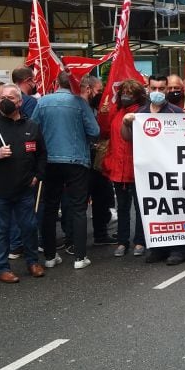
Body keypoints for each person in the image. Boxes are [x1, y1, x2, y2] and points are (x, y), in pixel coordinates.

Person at [0, 85, 47, 283]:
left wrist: (38, 175)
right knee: (1, 231)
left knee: (29, 227)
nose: (5, 100)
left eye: (11, 97)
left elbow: (41, 154)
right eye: (2, 97)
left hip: (24, 189)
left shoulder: (31, 126)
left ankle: (32, 262)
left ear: (20, 102)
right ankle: (3, 268)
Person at [34, 71, 100, 270]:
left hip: (49, 160)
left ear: (55, 82)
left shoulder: (43, 102)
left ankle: (50, 256)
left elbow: (33, 128)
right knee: (79, 208)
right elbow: (94, 131)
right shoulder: (80, 103)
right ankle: (80, 257)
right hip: (76, 160)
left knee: (50, 207)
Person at [127, 74, 185, 265]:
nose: (157, 92)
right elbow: (127, 137)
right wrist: (126, 123)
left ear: (166, 89)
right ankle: (158, 247)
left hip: (172, 170)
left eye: (161, 89)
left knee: (175, 208)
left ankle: (179, 249)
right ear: (147, 88)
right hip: (149, 172)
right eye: (153, 88)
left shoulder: (176, 112)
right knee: (154, 208)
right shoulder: (140, 114)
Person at [101, 79, 148, 258]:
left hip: (136, 168)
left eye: (130, 93)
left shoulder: (142, 113)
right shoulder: (116, 111)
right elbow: (106, 133)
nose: (126, 96)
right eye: (123, 93)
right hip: (118, 167)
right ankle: (122, 241)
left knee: (139, 207)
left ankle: (140, 241)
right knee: (122, 207)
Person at [78, 75, 117, 246]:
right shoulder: (78, 106)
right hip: (82, 159)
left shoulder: (97, 107)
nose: (101, 94)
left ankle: (100, 234)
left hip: (98, 159)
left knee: (102, 197)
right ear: (88, 89)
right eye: (99, 91)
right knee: (79, 201)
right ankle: (74, 239)